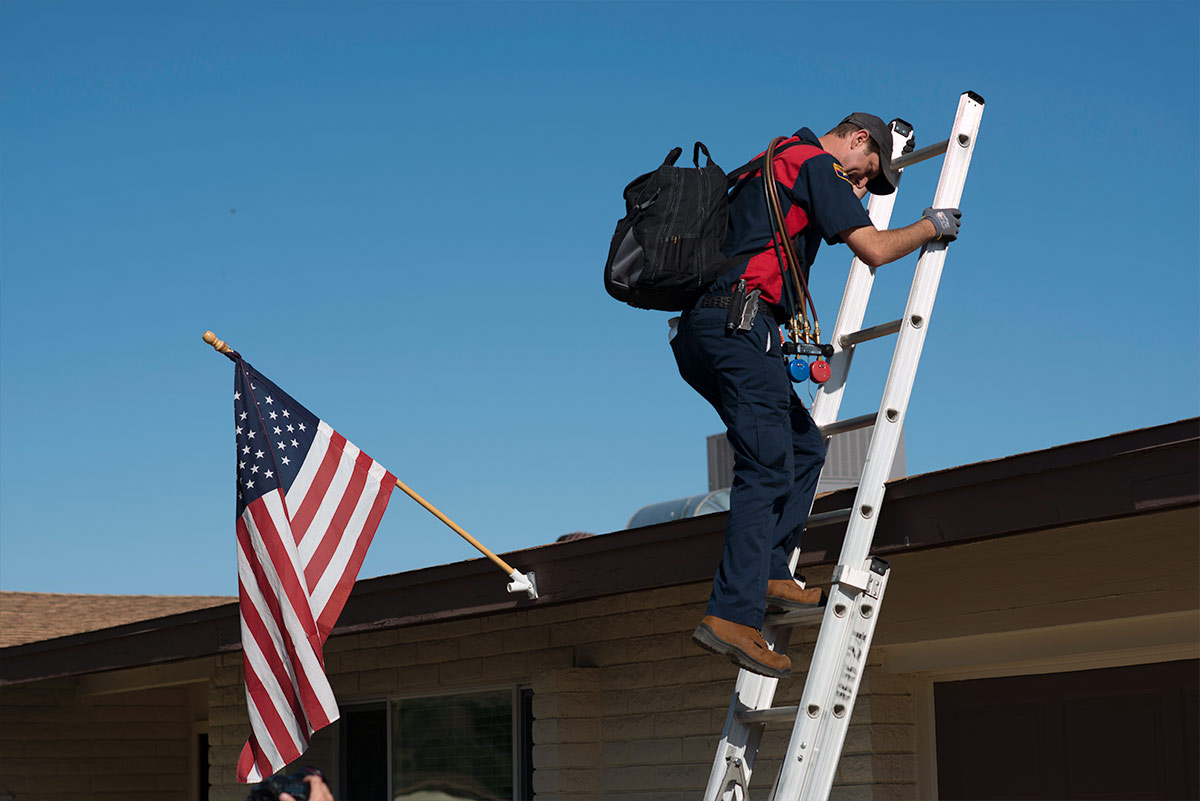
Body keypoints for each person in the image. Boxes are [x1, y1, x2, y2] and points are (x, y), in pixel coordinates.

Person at [673, 112, 962, 679]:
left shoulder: (768, 162)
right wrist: (932, 226)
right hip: (739, 328)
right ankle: (732, 615)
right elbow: (874, 249)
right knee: (765, 465)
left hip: (710, 331)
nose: (858, 186)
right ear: (857, 141)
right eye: (865, 173)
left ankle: (774, 573)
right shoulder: (816, 163)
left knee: (804, 447)